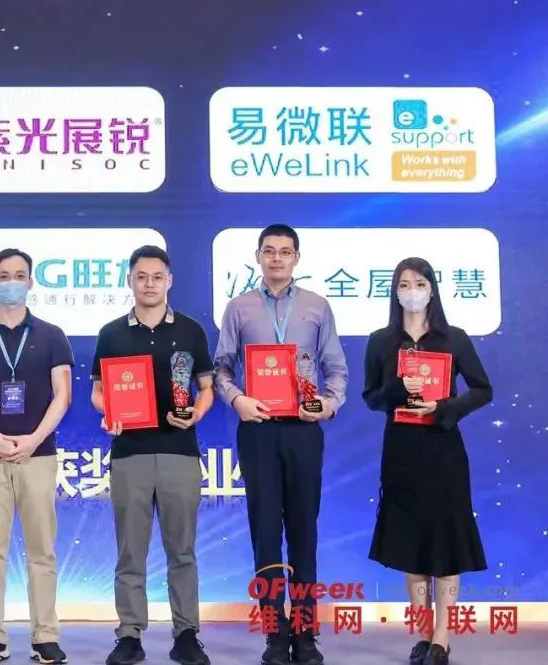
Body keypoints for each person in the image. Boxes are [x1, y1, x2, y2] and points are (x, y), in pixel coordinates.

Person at [213, 224, 348, 665]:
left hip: (303, 430)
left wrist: (328, 405)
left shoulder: (316, 307)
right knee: (265, 533)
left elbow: (336, 368)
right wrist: (237, 400)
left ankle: (306, 632)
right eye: (269, 251)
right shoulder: (239, 308)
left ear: (296, 258)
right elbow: (221, 368)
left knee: (304, 532)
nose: (276, 259)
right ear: (258, 256)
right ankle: (274, 632)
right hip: (258, 430)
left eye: (285, 252)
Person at [90, 245, 215, 665]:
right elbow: (97, 392)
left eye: (157, 277)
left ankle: (187, 633)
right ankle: (129, 635)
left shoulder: (192, 330)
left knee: (183, 550)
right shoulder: (111, 333)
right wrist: (109, 413)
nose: (149, 284)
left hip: (180, 451)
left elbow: (207, 388)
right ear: (130, 280)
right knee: (131, 551)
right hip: (130, 454)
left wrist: (196, 413)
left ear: (169, 281)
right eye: (141, 276)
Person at [363, 258, 491, 665]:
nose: (412, 291)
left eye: (419, 283)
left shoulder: (453, 338)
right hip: (401, 452)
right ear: (394, 291)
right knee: (411, 544)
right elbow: (371, 398)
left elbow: (483, 390)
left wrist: (444, 407)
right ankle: (421, 634)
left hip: (443, 451)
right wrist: (398, 387)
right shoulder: (380, 341)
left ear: (432, 289)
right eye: (404, 284)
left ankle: (442, 638)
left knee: (445, 544)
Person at [0, 248, 73, 665]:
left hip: (38, 455)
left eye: (19, 275)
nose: (11, 282)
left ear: (31, 282)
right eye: (3, 275)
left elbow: (63, 395)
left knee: (42, 550)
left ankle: (45, 636)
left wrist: (33, 439)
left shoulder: (52, 335)